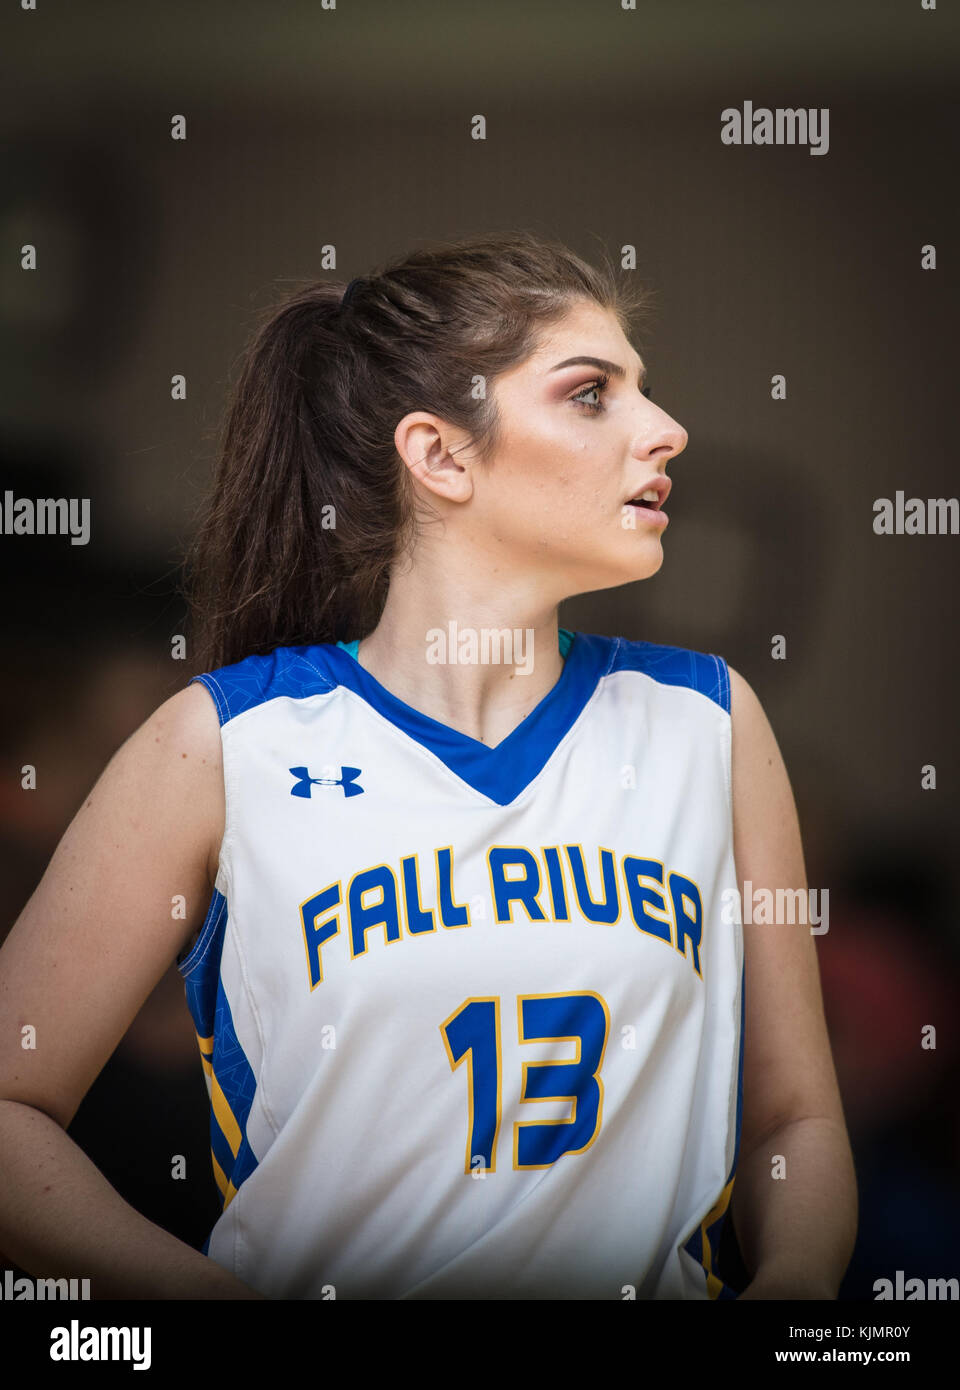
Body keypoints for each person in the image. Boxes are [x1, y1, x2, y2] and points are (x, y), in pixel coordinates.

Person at [0, 230, 857, 1299]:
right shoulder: (223, 743)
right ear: (440, 455)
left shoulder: (709, 720)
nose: (667, 430)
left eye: (645, 390)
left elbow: (795, 1116)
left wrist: (797, 1291)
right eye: (593, 394)